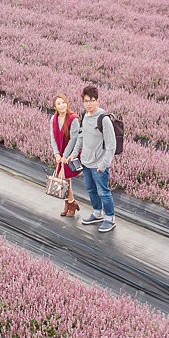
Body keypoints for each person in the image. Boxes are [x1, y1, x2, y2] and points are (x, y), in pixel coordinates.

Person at [70, 85, 117, 233]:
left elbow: (111, 145)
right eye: (86, 101)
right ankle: (97, 213)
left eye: (92, 100)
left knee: (103, 191)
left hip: (98, 165)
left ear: (98, 101)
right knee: (91, 189)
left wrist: (104, 164)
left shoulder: (104, 119)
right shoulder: (85, 115)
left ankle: (110, 218)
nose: (89, 104)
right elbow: (81, 136)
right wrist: (74, 152)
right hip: (86, 162)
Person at [50, 93, 81, 218]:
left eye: (63, 102)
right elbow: (52, 137)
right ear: (55, 107)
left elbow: (74, 139)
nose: (62, 105)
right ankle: (69, 204)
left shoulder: (73, 119)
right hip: (60, 153)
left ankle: (71, 203)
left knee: (64, 177)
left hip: (70, 153)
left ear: (67, 103)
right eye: (58, 104)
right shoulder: (53, 119)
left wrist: (64, 155)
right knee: (65, 179)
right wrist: (56, 153)